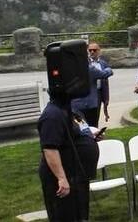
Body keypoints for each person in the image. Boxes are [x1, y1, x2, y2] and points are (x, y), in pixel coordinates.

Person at [37, 84, 101, 222]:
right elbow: (50, 149)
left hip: (78, 175)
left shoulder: (71, 110)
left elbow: (76, 133)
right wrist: (61, 178)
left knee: (80, 216)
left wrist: (90, 137)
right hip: (63, 179)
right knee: (65, 216)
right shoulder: (51, 116)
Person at [70, 43, 113, 127]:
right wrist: (109, 70)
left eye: (94, 50)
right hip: (88, 101)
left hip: (96, 94)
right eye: (90, 50)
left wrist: (106, 99)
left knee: (84, 124)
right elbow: (104, 74)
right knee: (89, 124)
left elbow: (105, 83)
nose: (92, 52)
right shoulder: (89, 67)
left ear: (99, 51)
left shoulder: (102, 63)